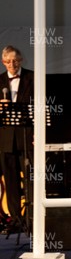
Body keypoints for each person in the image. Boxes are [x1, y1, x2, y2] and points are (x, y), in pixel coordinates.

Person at [0, 45, 34, 232]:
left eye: (15, 60)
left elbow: (41, 106)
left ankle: (32, 218)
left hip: (26, 136)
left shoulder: (33, 77)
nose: (12, 64)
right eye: (8, 61)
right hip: (5, 138)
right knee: (10, 180)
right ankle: (16, 220)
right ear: (3, 62)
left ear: (20, 60)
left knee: (30, 178)